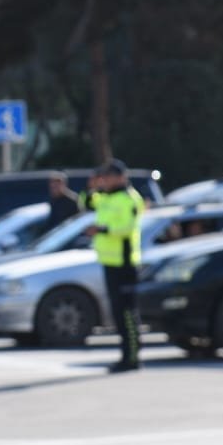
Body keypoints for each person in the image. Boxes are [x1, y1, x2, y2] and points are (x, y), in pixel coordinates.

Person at [90, 159, 145, 373]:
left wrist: (102, 230)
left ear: (122, 177)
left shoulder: (129, 198)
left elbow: (126, 227)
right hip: (110, 262)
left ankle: (132, 357)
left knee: (127, 312)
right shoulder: (107, 196)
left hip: (125, 263)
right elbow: (87, 203)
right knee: (118, 312)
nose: (106, 180)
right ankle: (125, 354)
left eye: (110, 176)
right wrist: (92, 187)